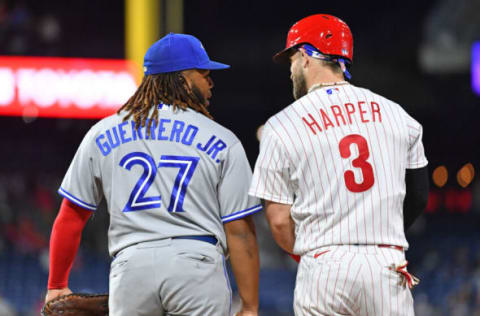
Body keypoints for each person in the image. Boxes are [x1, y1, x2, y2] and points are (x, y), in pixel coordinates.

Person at [45, 32, 261, 316]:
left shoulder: (102, 132)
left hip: (132, 268)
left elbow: (71, 215)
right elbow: (240, 231)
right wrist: (249, 306)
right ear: (181, 77)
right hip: (196, 265)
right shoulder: (222, 139)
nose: (210, 81)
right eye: (204, 73)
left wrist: (57, 284)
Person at [249, 14, 429, 316]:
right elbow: (419, 197)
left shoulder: (281, 125)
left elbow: (279, 220)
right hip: (386, 263)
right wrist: (379, 236)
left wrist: (315, 248)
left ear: (306, 57)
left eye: (293, 59)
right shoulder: (399, 116)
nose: (291, 69)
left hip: (324, 264)